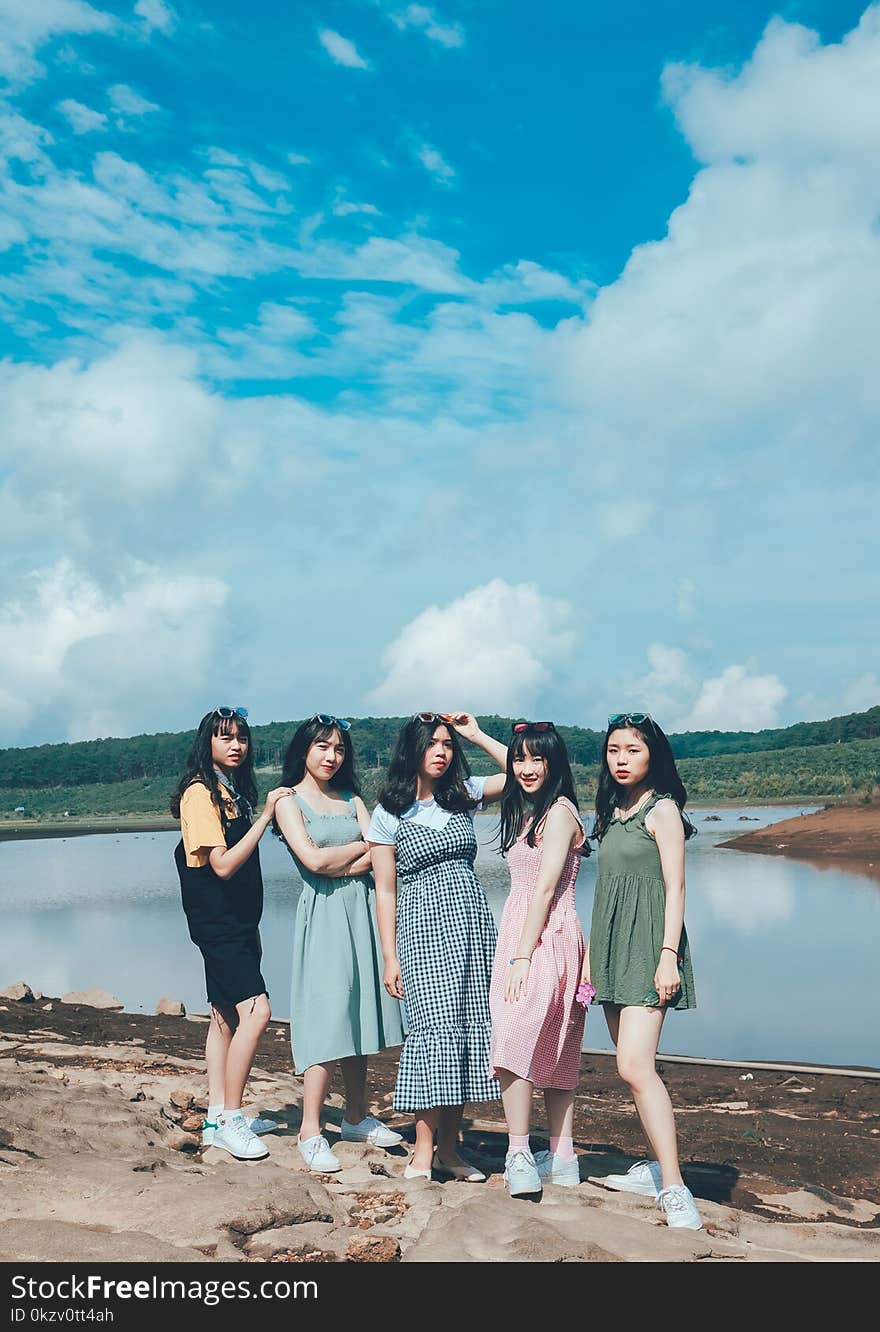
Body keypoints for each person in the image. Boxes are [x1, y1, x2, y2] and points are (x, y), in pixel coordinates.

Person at [368, 712, 507, 1181]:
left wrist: (476, 734)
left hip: (472, 928)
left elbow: (527, 774)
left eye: (448, 743)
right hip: (420, 932)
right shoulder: (388, 811)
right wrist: (390, 957)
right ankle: (422, 1152)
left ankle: (451, 1150)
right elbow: (385, 890)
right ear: (413, 749)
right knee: (432, 1036)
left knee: (466, 1033)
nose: (442, 751)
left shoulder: (463, 794)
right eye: (433, 743)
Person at [585, 712, 702, 1229]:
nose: (622, 759)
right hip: (612, 947)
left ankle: (675, 1188)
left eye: (632, 750)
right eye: (614, 750)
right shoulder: (613, 809)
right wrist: (592, 956)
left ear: (652, 754)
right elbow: (608, 889)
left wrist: (667, 954)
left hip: (650, 946)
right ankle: (656, 1167)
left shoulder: (663, 810)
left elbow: (675, 888)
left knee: (636, 1066)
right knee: (627, 1068)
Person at [273, 715, 405, 1173]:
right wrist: (356, 852)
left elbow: (383, 846)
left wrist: (341, 861)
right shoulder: (288, 801)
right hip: (325, 914)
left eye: (339, 749)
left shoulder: (351, 797)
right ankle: (310, 1129)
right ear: (304, 750)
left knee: (358, 1011)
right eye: (323, 747)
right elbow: (311, 860)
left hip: (364, 909)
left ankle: (355, 1116)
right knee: (328, 1014)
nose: (332, 756)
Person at [171, 707, 290, 1161]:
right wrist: (266, 818)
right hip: (217, 924)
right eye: (225, 738)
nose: (236, 745)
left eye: (241, 738)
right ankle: (231, 1118)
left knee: (224, 1015)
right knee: (257, 1012)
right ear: (208, 744)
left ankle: (217, 1113)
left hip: (239, 921)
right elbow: (220, 864)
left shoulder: (231, 790)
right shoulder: (199, 794)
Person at [489, 722, 589, 1196]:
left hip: (542, 938)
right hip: (529, 934)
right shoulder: (537, 808)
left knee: (514, 1040)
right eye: (520, 759)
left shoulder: (561, 813)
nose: (526, 769)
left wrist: (522, 956)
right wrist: (474, 735)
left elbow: (546, 887)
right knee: (553, 1042)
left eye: (538, 759)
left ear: (556, 763)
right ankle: (562, 1155)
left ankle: (519, 1153)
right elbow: (512, 768)